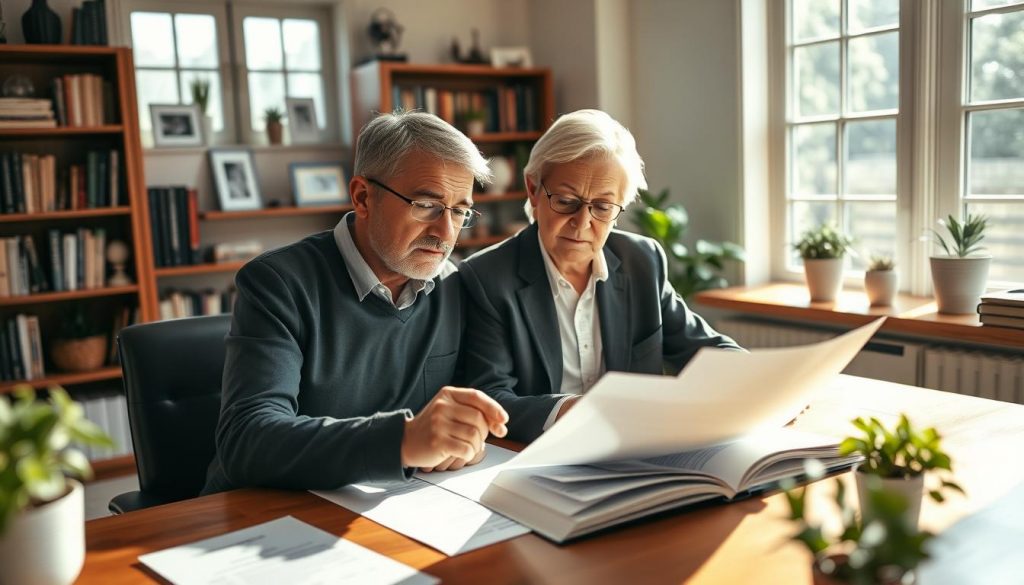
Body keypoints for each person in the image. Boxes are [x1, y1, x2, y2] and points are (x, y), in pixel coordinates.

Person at [203, 111, 509, 494]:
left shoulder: (453, 285)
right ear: (363, 197)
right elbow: (247, 439)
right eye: (426, 205)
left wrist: (465, 434)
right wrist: (403, 441)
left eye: (460, 211)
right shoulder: (277, 284)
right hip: (268, 515)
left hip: (397, 508)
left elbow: (475, 402)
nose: (445, 233)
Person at [459, 109, 743, 443]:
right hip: (537, 456)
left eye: (603, 208)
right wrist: (577, 411)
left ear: (620, 207)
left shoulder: (642, 261)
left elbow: (706, 350)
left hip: (637, 452)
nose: (582, 224)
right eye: (566, 201)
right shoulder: (486, 278)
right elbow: (489, 398)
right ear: (533, 190)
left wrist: (763, 384)